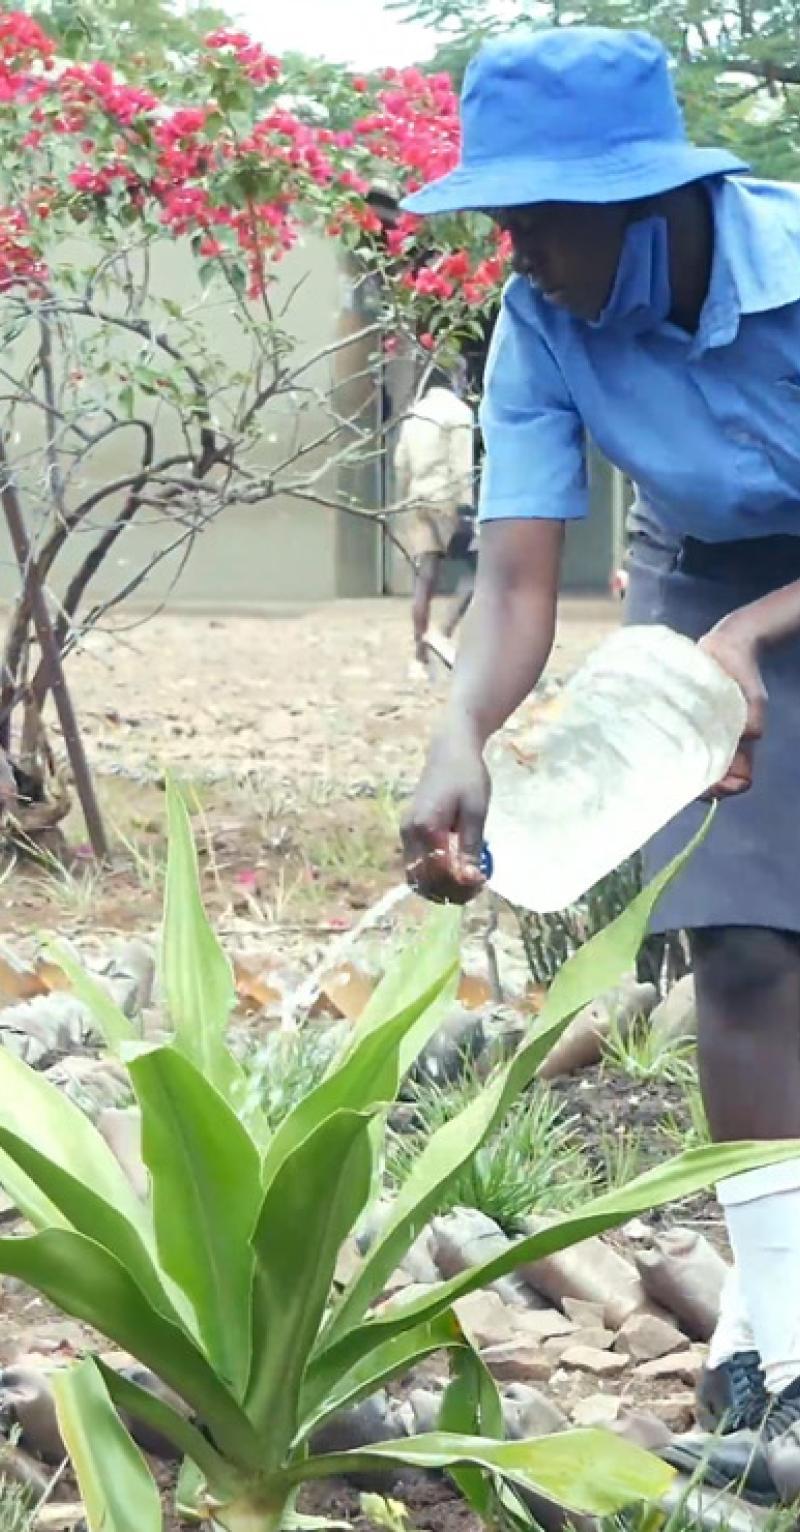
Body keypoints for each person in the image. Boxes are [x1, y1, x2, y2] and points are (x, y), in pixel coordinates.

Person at [399, 25, 800, 1505]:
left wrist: (763, 631)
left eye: (542, 219)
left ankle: (771, 1320)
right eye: (500, 221)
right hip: (702, 579)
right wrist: (462, 738)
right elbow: (514, 584)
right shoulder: (542, 319)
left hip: (765, 604)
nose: (517, 251)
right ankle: (786, 1355)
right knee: (748, 943)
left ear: (652, 201)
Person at [393, 367, 477, 676]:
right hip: (446, 498)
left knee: (425, 577)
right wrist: (466, 507)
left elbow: (400, 463)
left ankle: (419, 659)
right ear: (455, 380)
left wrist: (406, 496)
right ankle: (442, 632)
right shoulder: (459, 413)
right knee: (480, 569)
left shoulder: (414, 414)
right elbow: (461, 465)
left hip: (417, 497)